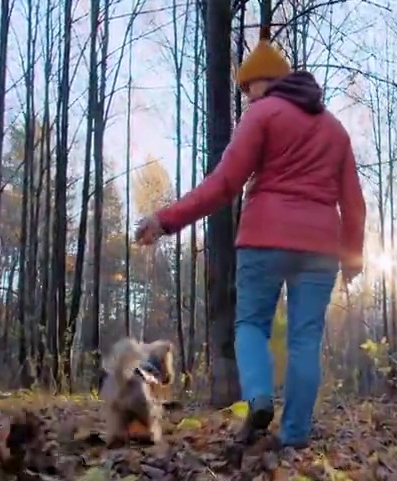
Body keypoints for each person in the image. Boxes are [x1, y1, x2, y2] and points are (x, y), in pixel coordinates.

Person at [133, 38, 366, 449]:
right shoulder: (335, 129)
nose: (246, 96)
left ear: (268, 81)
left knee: (250, 325)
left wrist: (165, 219)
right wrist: (353, 257)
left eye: (248, 87)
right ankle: (294, 436)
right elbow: (353, 203)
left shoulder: (263, 115)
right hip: (321, 249)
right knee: (304, 341)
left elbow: (223, 184)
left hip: (264, 239)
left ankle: (258, 398)